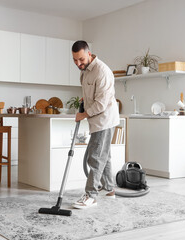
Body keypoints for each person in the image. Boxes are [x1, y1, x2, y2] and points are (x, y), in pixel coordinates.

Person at [71, 40, 120, 209]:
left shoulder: (102, 71)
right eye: (75, 60)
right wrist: (85, 99)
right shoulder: (84, 71)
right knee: (104, 155)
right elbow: (90, 92)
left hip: (105, 119)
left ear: (89, 54)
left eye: (81, 59)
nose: (78, 63)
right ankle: (109, 189)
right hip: (96, 119)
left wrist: (83, 115)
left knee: (96, 156)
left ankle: (91, 195)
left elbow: (101, 104)